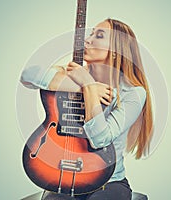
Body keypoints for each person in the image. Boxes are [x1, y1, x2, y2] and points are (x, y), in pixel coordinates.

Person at [20, 18, 153, 200]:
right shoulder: (73, 77)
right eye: (90, 33)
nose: (87, 40)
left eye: (99, 36)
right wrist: (81, 86)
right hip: (62, 178)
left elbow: (100, 139)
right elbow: (28, 74)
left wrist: (89, 85)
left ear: (116, 50)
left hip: (110, 182)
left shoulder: (134, 93)